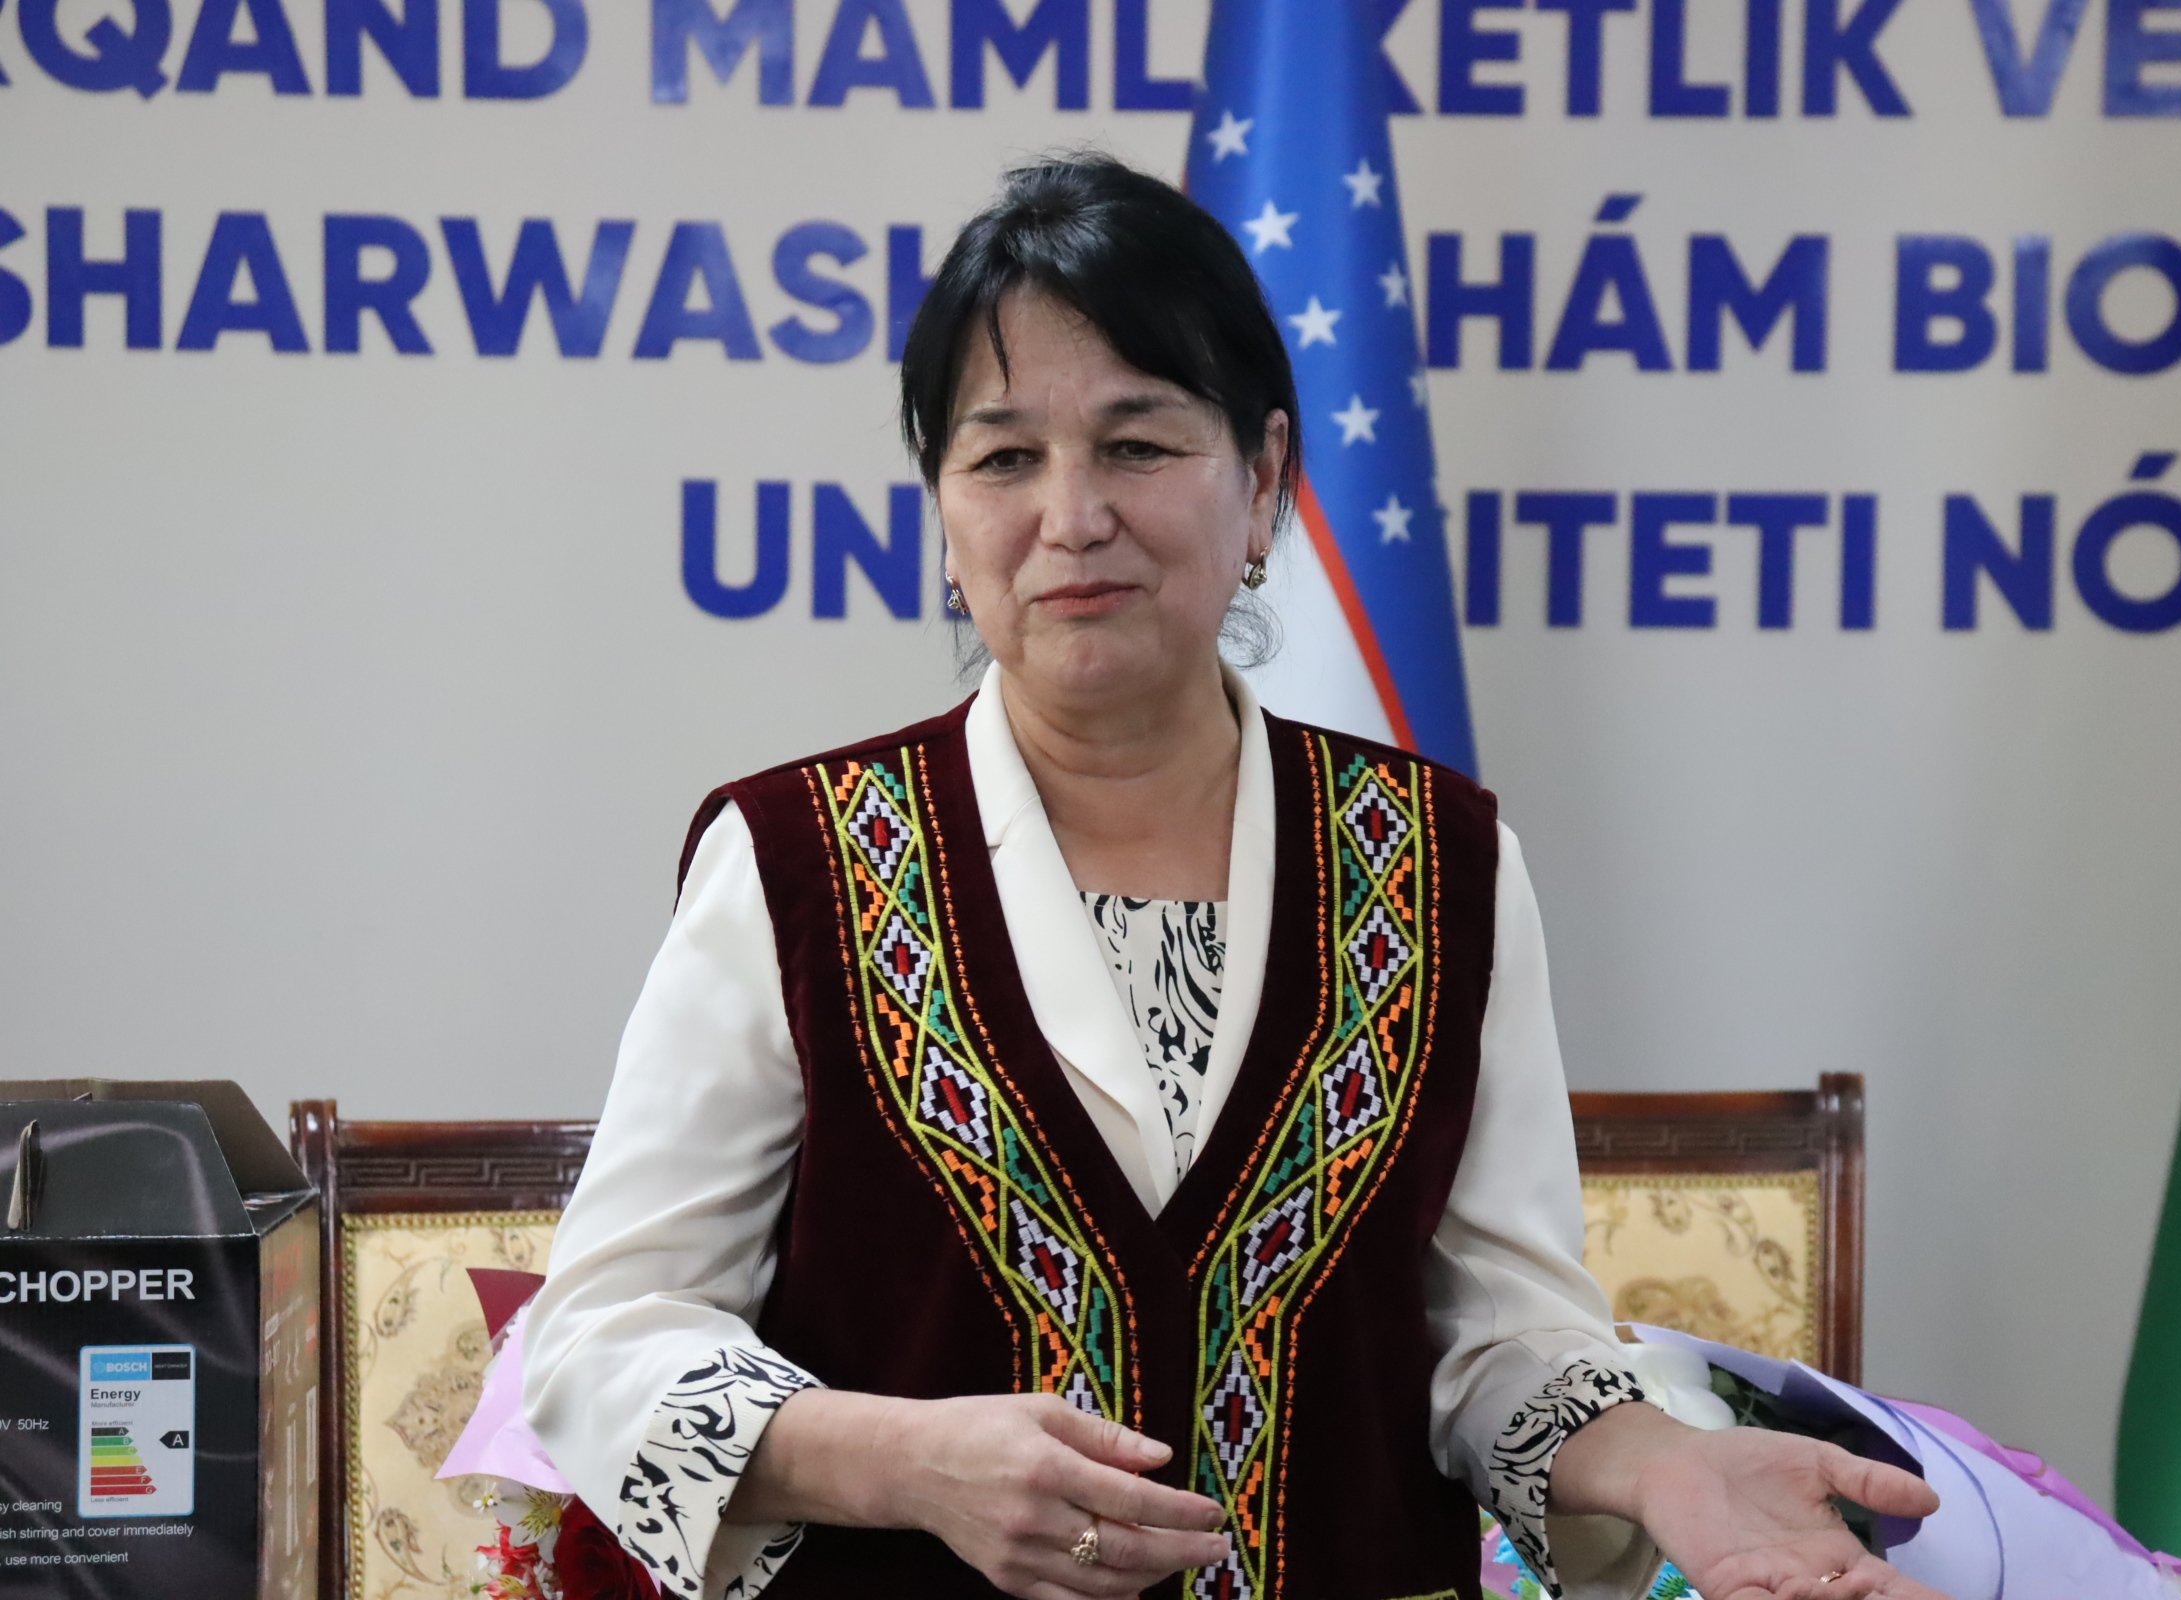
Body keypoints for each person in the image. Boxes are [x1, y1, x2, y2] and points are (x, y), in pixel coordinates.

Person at [519, 154, 1948, 1600]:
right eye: (1003, 459)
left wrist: (1662, 1464)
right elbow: (601, 1341)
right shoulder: (801, 858)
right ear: (943, 513)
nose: (1072, 515)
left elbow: (1501, 1339)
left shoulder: (1436, 860)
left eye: (1138, 445)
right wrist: (901, 1461)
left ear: (1263, 480)